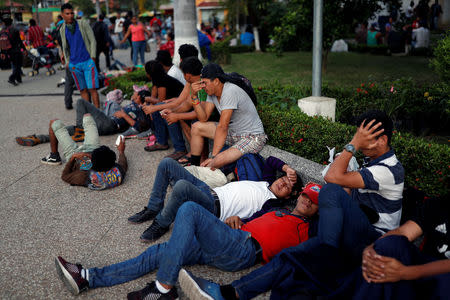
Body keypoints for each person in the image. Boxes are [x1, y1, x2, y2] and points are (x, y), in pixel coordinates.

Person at [183, 110, 405, 300]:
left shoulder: (388, 170)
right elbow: (344, 189)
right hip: (354, 229)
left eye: (362, 137)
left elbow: (333, 180)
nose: (357, 141)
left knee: (329, 191)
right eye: (358, 136)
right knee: (291, 255)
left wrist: (352, 146)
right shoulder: (372, 163)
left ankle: (325, 250)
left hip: (374, 240)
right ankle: (229, 293)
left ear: (382, 140)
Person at [54, 182, 321, 298]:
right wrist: (236, 220)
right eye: (306, 195)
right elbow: (247, 222)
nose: (307, 200)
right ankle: (88, 277)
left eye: (313, 201)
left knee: (189, 209)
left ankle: (164, 287)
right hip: (231, 237)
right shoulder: (276, 209)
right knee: (160, 252)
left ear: (318, 209)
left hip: (244, 250)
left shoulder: (306, 231)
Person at [128, 154, 301, 242]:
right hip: (209, 190)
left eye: (288, 187)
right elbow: (270, 160)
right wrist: (288, 169)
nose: (283, 183)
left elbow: (257, 220)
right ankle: (153, 207)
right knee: (167, 163)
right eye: (283, 178)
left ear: (290, 195)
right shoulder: (266, 181)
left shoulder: (272, 204)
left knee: (181, 186)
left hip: (214, 208)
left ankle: (162, 223)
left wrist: (239, 221)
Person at [354, 195, 450, 299]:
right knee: (388, 246)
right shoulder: (439, 204)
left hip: (439, 279)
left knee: (445, 280)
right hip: (422, 268)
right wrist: (372, 248)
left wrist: (405, 272)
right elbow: (404, 232)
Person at [16, 87, 150, 152]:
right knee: (65, 130)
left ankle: (80, 129)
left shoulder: (140, 110)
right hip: (107, 121)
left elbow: (138, 127)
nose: (134, 93)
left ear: (140, 98)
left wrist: (124, 115)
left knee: (81, 102)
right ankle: (38, 138)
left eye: (136, 93)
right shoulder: (132, 104)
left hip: (111, 124)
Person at [188, 63, 266, 169]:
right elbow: (203, 118)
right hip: (233, 133)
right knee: (196, 127)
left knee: (215, 162)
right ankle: (194, 167)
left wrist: (214, 157)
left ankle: (201, 175)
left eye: (205, 83)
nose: (202, 86)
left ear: (216, 81)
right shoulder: (212, 92)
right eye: (201, 83)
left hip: (251, 137)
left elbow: (222, 126)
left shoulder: (230, 91)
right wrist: (193, 96)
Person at [43, 113, 128, 190]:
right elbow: (123, 163)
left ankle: (54, 156)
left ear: (92, 162)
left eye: (91, 157)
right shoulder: (118, 172)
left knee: (54, 123)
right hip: (92, 149)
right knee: (88, 116)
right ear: (112, 165)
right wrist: (121, 151)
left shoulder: (84, 176)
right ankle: (79, 128)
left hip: (74, 155)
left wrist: (73, 158)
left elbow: (65, 176)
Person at [141, 60, 187, 159]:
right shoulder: (157, 79)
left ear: (150, 73)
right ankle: (161, 141)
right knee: (156, 109)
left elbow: (160, 101)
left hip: (181, 104)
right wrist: (148, 104)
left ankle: (180, 149)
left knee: (163, 110)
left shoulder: (163, 81)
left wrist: (148, 100)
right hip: (173, 103)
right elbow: (154, 98)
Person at [59, 3, 100, 108]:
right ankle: (89, 113)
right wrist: (68, 62)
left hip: (87, 61)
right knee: (82, 90)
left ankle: (99, 113)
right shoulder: (62, 29)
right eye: (67, 13)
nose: (70, 15)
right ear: (62, 15)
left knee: (92, 89)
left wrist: (93, 58)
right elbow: (65, 47)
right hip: (74, 65)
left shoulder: (82, 24)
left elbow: (92, 40)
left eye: (72, 13)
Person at [1, 18, 26, 86]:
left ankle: (18, 79)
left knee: (15, 64)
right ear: (11, 23)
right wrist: (24, 49)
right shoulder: (14, 30)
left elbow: (2, 42)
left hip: (8, 51)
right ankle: (11, 78)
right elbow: (19, 41)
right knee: (18, 65)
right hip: (15, 50)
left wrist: (2, 52)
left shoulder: (2, 31)